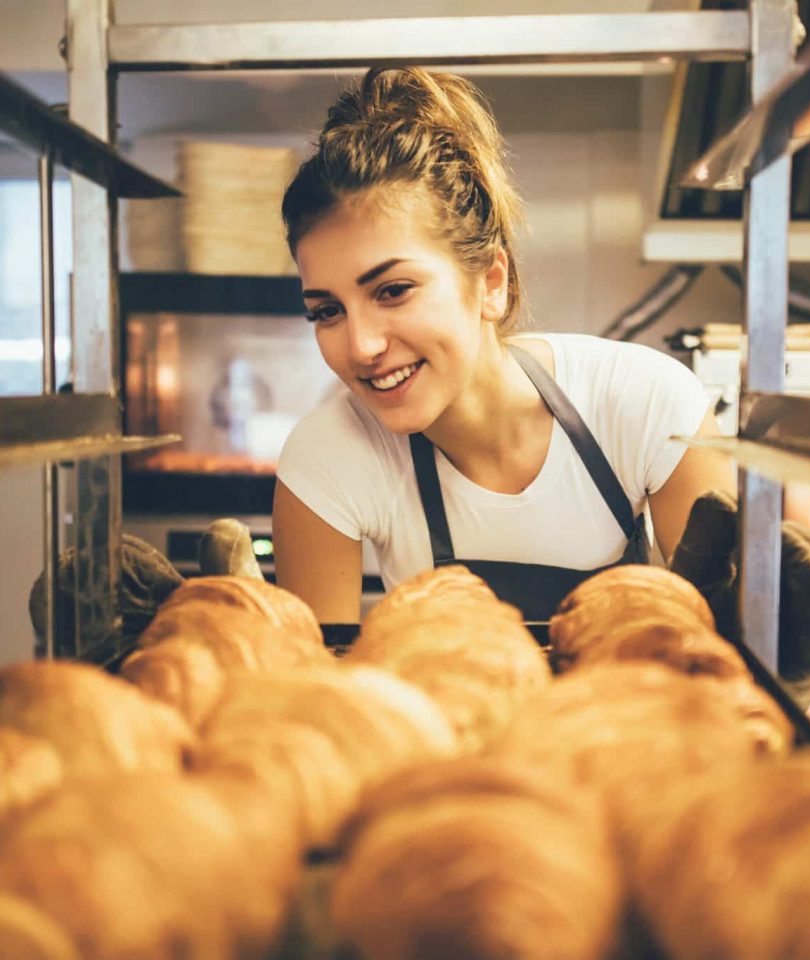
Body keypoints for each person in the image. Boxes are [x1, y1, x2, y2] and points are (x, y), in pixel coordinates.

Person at [273, 67, 735, 624]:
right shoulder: (328, 455)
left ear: (491, 283)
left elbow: (722, 661)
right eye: (326, 311)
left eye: (393, 291)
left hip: (623, 706)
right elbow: (312, 693)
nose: (362, 346)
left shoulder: (645, 402)